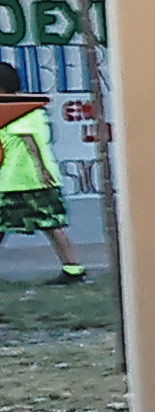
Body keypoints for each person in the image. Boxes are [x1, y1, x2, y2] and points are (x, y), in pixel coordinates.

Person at [0, 89, 75, 286]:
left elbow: (29, 140)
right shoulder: (33, 109)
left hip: (23, 180)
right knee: (51, 225)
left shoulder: (16, 110)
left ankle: (73, 268)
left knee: (51, 225)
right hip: (25, 180)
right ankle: (73, 268)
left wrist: (41, 169)